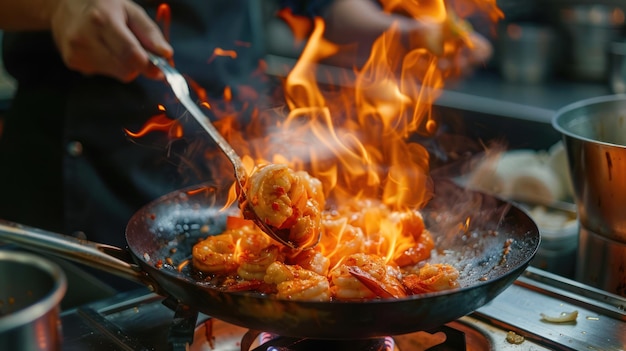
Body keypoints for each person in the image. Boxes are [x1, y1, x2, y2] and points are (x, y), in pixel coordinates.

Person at [0, 0, 494, 294]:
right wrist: (59, 6)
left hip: (227, 117)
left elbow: (320, 6)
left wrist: (396, 35)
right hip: (80, 157)